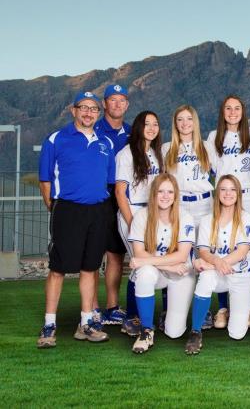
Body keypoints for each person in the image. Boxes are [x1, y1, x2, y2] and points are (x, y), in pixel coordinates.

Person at [37, 91, 114, 348]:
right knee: (58, 268)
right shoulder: (56, 139)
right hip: (67, 210)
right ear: (74, 110)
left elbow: (110, 182)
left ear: (98, 113)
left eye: (94, 109)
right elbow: (45, 180)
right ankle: (49, 325)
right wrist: (56, 208)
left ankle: (86, 323)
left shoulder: (106, 143)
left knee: (90, 268)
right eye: (84, 108)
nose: (89, 113)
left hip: (97, 211)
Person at [184, 175, 250, 354]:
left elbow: (242, 251)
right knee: (206, 278)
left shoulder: (246, 218)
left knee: (237, 333)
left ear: (238, 194)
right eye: (223, 189)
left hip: (240, 274)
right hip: (217, 273)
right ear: (217, 193)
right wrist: (216, 262)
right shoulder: (208, 219)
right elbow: (204, 251)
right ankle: (195, 331)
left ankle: (238, 312)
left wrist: (214, 263)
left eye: (232, 189)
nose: (228, 193)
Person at [128, 173, 196, 354]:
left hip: (180, 273)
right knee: (145, 273)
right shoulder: (142, 216)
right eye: (161, 191)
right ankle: (146, 330)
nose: (165, 196)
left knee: (174, 332)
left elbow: (182, 256)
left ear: (175, 195)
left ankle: (168, 320)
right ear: (153, 194)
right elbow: (139, 253)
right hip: (159, 272)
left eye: (170, 192)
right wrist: (166, 265)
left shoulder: (185, 216)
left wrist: (152, 262)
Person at [207, 95, 250, 329]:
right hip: (225, 197)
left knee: (248, 253)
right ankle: (223, 308)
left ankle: (244, 308)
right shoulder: (213, 137)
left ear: (243, 111)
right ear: (222, 112)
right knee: (223, 248)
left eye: (237, 108)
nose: (232, 112)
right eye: (228, 108)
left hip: (249, 196)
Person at [115, 111, 164, 336]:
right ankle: (132, 317)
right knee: (140, 263)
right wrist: (133, 222)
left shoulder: (155, 153)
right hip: (133, 213)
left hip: (153, 214)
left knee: (157, 261)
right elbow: (120, 192)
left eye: (155, 124)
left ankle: (163, 314)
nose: (152, 128)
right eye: (147, 124)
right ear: (138, 127)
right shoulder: (127, 153)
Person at [93, 84, 131, 327]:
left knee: (116, 254)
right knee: (93, 254)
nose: (117, 104)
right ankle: (93, 308)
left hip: (124, 194)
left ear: (127, 105)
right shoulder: (93, 130)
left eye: (121, 100)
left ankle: (112, 307)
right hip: (99, 195)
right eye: (112, 100)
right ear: (104, 104)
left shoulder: (131, 132)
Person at [162, 105, 213, 227]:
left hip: (204, 204)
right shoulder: (166, 148)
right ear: (175, 123)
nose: (185, 123)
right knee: (180, 244)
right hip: (179, 204)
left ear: (195, 122)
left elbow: (218, 173)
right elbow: (162, 179)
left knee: (204, 243)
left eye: (189, 119)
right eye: (180, 119)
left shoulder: (207, 146)